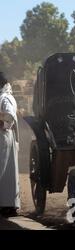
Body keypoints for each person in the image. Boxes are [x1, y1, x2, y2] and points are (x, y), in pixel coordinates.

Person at [0, 72, 20, 218]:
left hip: (4, 136)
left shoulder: (5, 97)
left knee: (4, 170)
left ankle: (8, 205)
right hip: (3, 137)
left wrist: (2, 123)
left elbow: (9, 115)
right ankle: (6, 204)